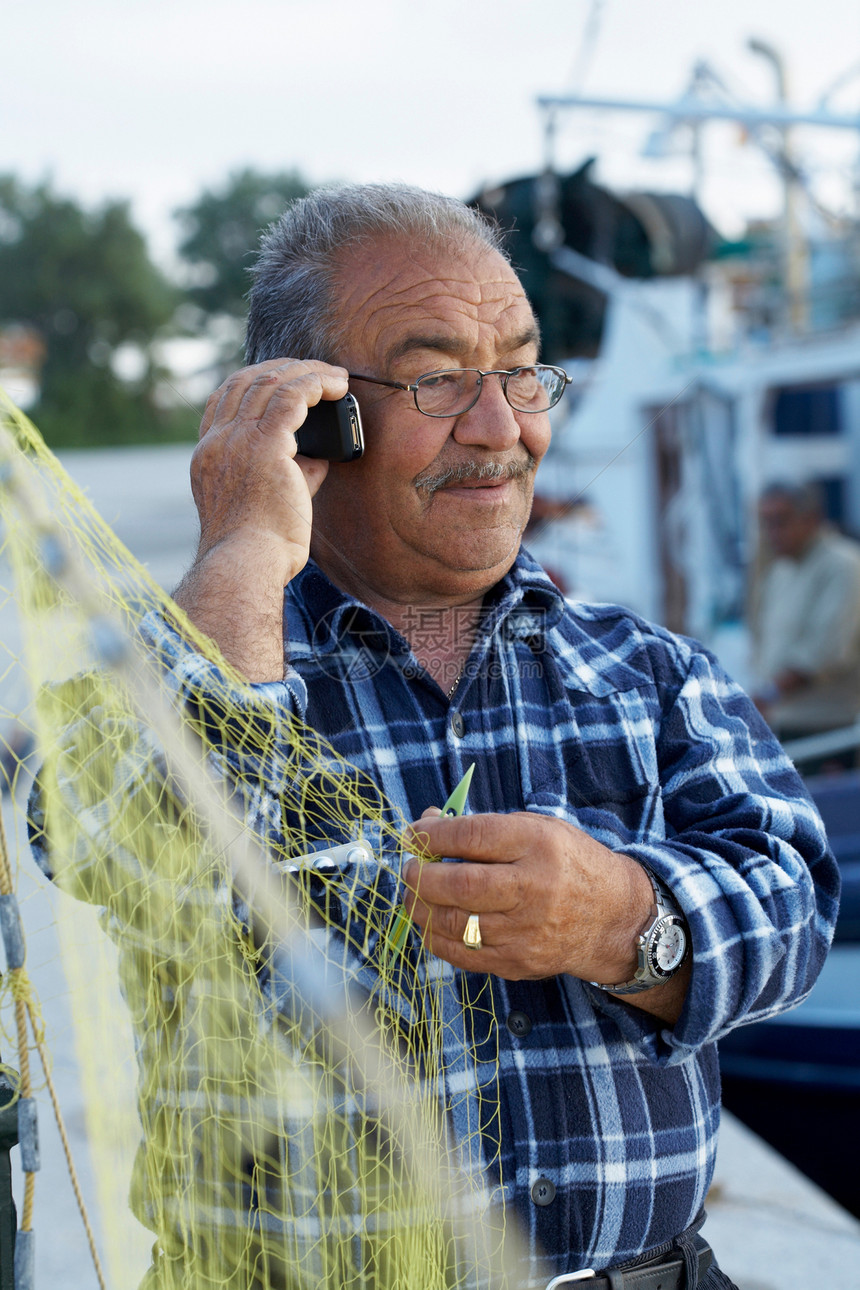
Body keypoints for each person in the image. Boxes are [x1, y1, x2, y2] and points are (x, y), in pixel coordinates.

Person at [38, 184, 838, 1289]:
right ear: (309, 414)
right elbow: (130, 851)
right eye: (437, 378)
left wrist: (625, 921)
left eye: (519, 369)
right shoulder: (171, 673)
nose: (502, 429)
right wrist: (239, 548)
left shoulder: (645, 670)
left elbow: (795, 904)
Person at [751, 480, 860, 756]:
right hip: (780, 722)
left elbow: (826, 651)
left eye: (781, 521)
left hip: (827, 728)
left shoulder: (842, 564)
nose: (772, 533)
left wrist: (767, 694)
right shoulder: (779, 570)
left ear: (811, 518)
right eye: (766, 523)